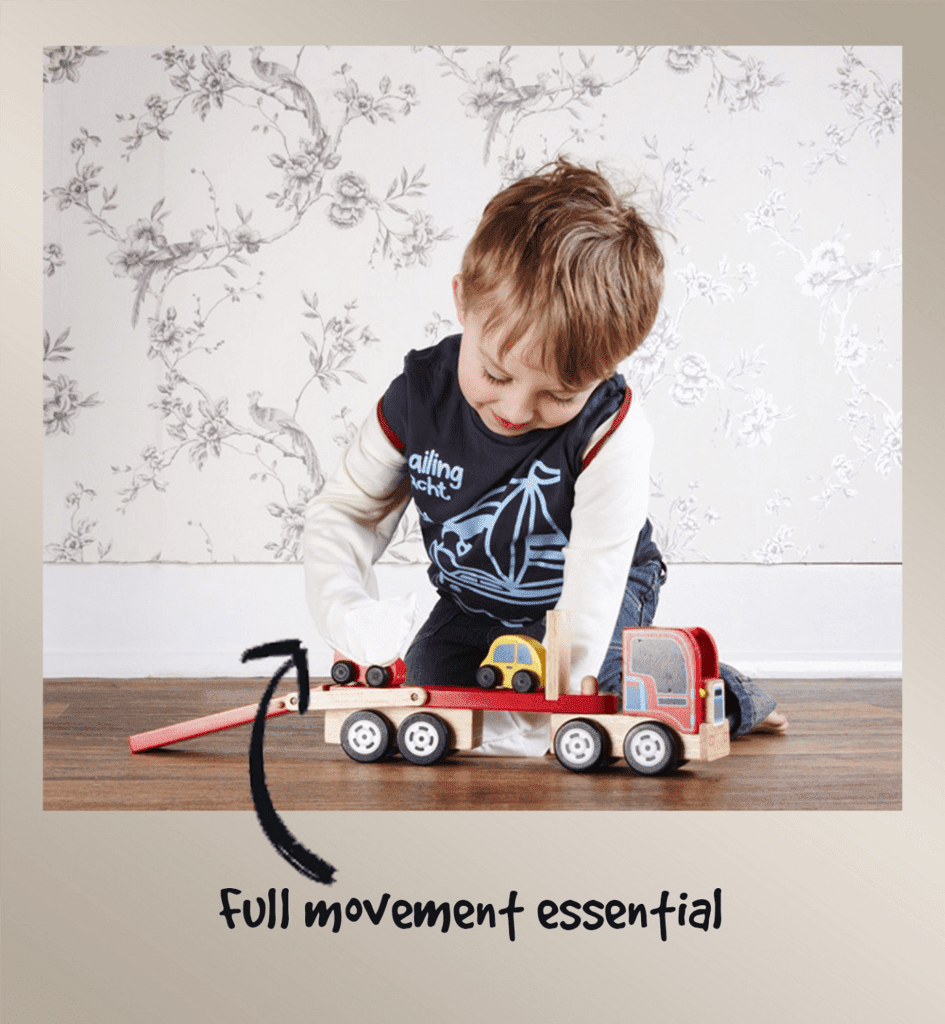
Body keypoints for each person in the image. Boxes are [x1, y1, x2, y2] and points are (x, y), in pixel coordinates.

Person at [304, 158, 786, 756]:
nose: (514, 408)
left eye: (558, 394)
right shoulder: (418, 396)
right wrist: (349, 618)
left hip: (591, 593)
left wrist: (564, 704)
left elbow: (597, 568)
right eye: (495, 372)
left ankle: (727, 695)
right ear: (462, 301)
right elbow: (347, 511)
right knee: (427, 691)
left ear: (606, 369)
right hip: (472, 600)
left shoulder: (615, 429)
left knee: (609, 698)